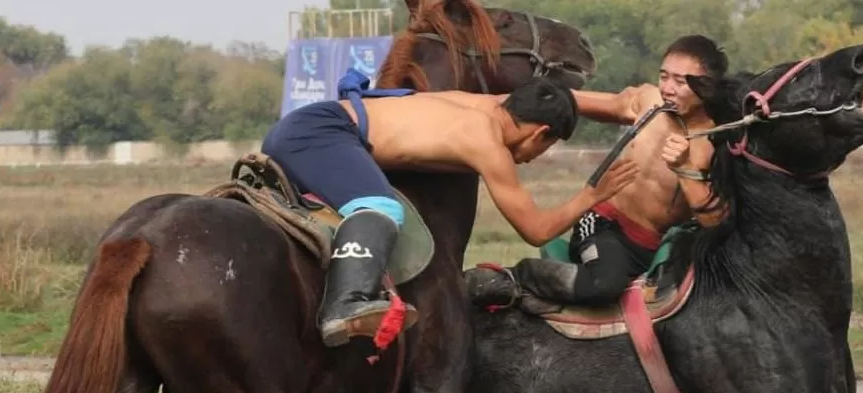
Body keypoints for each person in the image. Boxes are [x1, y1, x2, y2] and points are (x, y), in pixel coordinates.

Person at [260, 70, 639, 348]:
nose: (537, 157)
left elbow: (553, 96)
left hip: (314, 122)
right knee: (380, 207)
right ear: (540, 133)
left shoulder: (484, 107)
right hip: (320, 133)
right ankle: (345, 304)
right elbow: (536, 230)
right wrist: (593, 194)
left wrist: (619, 105)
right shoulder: (487, 144)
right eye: (546, 147)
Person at [464, 35, 730, 309]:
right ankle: (515, 278)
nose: (668, 88)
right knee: (605, 286)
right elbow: (574, 99)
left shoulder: (717, 139)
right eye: (664, 76)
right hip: (606, 226)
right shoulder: (647, 100)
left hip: (664, 246)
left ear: (707, 86)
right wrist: (489, 105)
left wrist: (684, 169)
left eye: (681, 81)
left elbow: (715, 221)